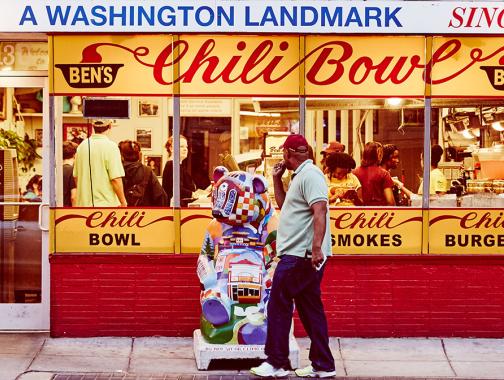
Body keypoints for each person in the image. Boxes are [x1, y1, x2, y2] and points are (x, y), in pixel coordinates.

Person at [250, 134, 335, 378]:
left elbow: (320, 211)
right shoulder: (300, 176)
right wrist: (277, 179)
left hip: (301, 255)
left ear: (288, 153)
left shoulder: (311, 175)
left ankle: (276, 361)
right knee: (310, 308)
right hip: (303, 254)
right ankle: (323, 364)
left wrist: (316, 249)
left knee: (278, 303)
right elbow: (286, 204)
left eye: (283, 154)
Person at [73, 119, 127, 207]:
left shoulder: (82, 146)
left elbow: (76, 176)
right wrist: (123, 202)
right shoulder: (111, 146)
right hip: (105, 206)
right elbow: (115, 179)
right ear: (110, 126)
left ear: (93, 126)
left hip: (83, 205)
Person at [118, 140, 168, 207]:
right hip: (144, 213)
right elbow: (161, 196)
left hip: (119, 213)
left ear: (121, 155)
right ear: (139, 154)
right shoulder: (147, 171)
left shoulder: (116, 171)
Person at [353, 141, 396, 206]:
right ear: (379, 155)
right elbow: (390, 201)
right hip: (379, 213)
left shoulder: (354, 173)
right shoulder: (384, 174)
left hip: (359, 214)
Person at [162, 135, 196, 207]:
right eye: (181, 146)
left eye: (186, 147)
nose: (185, 149)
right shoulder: (171, 165)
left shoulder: (178, 165)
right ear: (171, 148)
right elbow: (177, 189)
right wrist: (193, 194)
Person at [62, 141, 78, 207]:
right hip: (67, 209)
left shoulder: (56, 170)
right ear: (74, 155)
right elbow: (74, 197)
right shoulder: (72, 171)